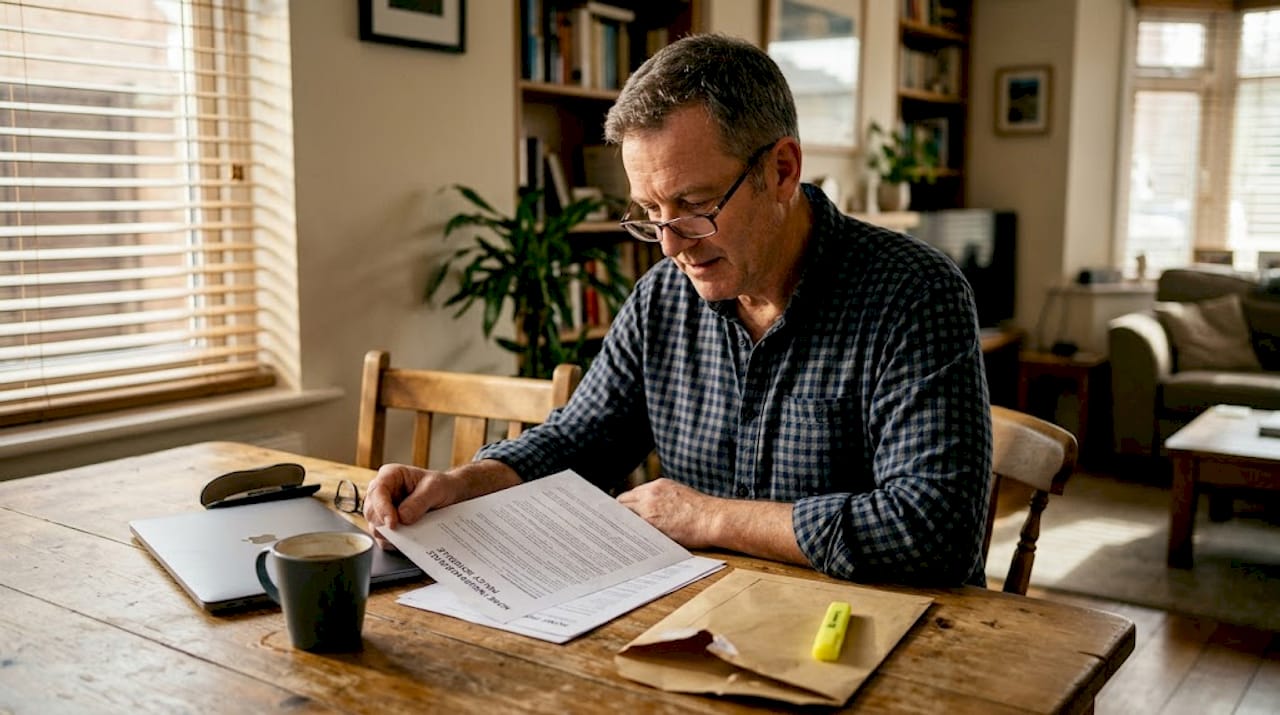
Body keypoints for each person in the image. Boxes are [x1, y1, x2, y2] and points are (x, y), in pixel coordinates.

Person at [365, 33, 993, 586]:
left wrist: (709, 517)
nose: (669, 246)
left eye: (693, 205)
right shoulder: (663, 297)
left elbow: (936, 529)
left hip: (873, 630)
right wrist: (461, 484)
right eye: (650, 212)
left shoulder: (915, 294)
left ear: (782, 170)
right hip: (703, 618)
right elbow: (580, 439)